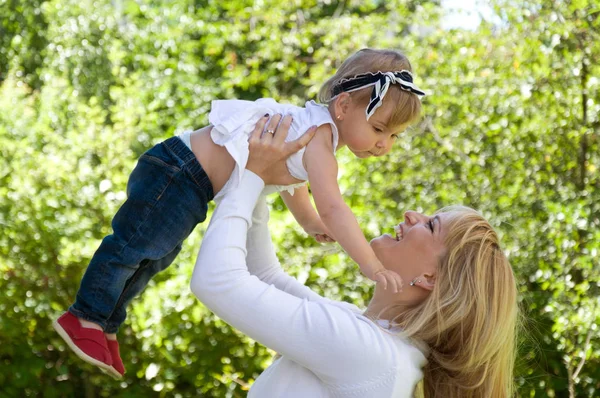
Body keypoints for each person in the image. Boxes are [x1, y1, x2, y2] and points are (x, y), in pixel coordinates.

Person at [53, 48, 422, 379]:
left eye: (394, 137)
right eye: (379, 129)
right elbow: (334, 207)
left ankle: (106, 323)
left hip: (191, 181)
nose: (383, 145)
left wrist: (309, 222)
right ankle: (84, 315)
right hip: (179, 169)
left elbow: (290, 182)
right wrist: (371, 264)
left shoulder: (313, 135)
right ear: (343, 107)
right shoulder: (319, 139)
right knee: (133, 248)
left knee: (155, 257)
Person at [191, 117, 520, 397]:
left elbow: (217, 282)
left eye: (431, 225)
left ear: (431, 278)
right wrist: (258, 172)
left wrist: (251, 175)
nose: (411, 214)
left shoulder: (373, 355)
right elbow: (264, 274)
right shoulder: (371, 337)